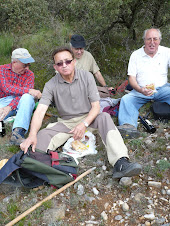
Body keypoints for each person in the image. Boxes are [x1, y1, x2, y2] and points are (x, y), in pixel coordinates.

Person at [20, 46, 142, 179]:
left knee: (105, 117)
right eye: (60, 63)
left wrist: (84, 124)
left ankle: (121, 162)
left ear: (74, 62)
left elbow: (96, 106)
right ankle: (34, 164)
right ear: (55, 67)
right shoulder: (50, 85)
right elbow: (40, 111)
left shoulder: (87, 77)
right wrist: (32, 134)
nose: (64, 65)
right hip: (66, 123)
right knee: (42, 135)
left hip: (89, 118)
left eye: (67, 61)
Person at [118, 28, 170, 138]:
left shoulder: (167, 52)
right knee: (126, 100)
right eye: (149, 39)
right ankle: (128, 127)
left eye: (155, 39)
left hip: (163, 89)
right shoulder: (136, 55)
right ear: (144, 40)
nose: (152, 42)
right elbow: (131, 78)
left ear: (159, 40)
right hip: (141, 90)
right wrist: (140, 89)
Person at [0, 48, 42, 145]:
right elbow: (6, 88)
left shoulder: (30, 75)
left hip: (21, 102)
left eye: (28, 65)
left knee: (28, 97)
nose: (27, 68)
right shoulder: (1, 70)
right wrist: (29, 90)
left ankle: (18, 134)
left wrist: (10, 107)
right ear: (14, 62)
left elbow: (26, 96)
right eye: (24, 65)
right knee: (27, 94)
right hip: (3, 101)